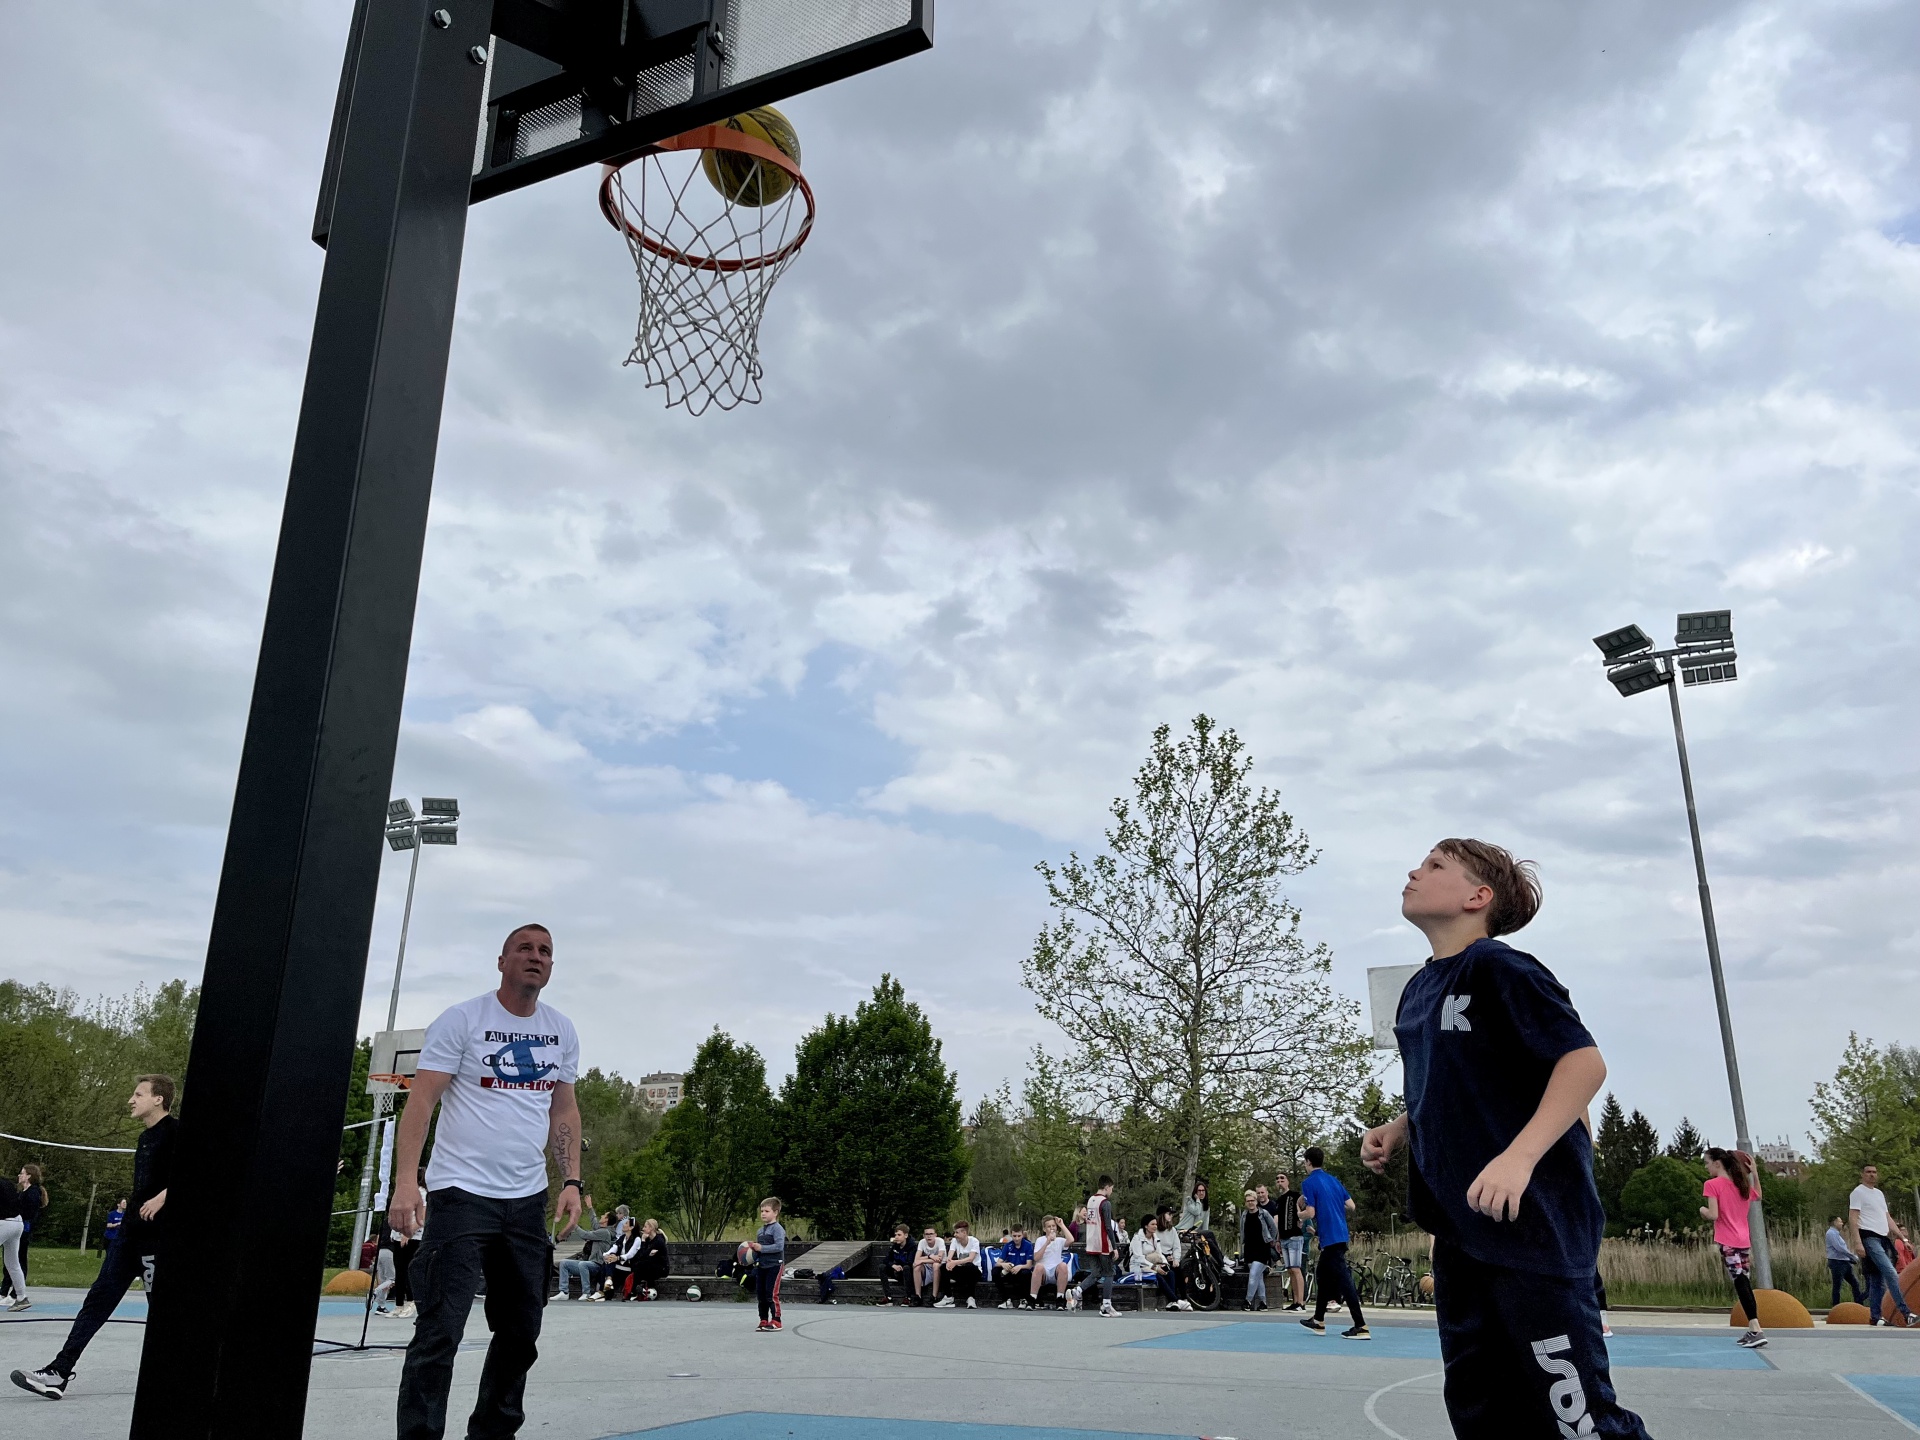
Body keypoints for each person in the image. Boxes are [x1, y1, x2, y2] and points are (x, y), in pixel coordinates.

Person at [1363, 839, 1649, 1436]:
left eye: (1435, 865)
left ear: (1478, 896)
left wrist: (1519, 1157)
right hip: (1461, 1238)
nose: (1415, 871)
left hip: (1534, 1231)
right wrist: (1400, 1127)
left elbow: (1583, 1064)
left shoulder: (1500, 968)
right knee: (1481, 1413)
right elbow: (1450, 1085)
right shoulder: (1417, 992)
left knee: (1578, 1420)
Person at [391, 925, 584, 1440]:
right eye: (525, 948)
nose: (536, 956)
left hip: (526, 1200)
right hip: (460, 1195)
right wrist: (406, 1182)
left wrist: (572, 1180)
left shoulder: (561, 1029)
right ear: (501, 961)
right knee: (440, 1331)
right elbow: (422, 1101)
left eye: (545, 951)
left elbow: (563, 1109)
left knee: (521, 1331)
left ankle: (493, 1433)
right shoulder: (463, 1020)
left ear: (551, 966)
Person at [12, 1075, 177, 1399]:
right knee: (97, 1301)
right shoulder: (146, 1137)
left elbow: (204, 1171)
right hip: (129, 1237)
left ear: (158, 1099)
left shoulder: (175, 1132)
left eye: (138, 1094)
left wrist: (162, 1197)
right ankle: (59, 1372)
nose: (131, 1100)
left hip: (156, 1240)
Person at [1297, 1149, 1367, 1337]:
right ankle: (1318, 1320)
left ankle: (1360, 1325)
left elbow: (1310, 1212)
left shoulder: (1309, 1183)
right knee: (1322, 1275)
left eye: (1305, 1161)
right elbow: (1351, 1205)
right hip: (1341, 1234)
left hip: (1330, 1237)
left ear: (1308, 1162)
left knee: (1345, 1281)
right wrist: (1332, 1205)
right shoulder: (1334, 1181)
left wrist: (1298, 1216)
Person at [1701, 1148, 1767, 1348]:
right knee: (1743, 1281)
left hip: (1727, 1240)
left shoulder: (1712, 1185)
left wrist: (1702, 1210)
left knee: (1740, 1282)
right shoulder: (1741, 1185)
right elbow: (1758, 1195)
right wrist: (1754, 1173)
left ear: (1717, 1163)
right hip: (1743, 1240)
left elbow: (1713, 1214)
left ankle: (1756, 1327)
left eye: (1707, 1163)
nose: (1706, 1167)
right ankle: (1753, 1328)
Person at [1850, 1163, 1919, 1327]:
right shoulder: (1858, 1192)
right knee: (1890, 1272)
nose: (1872, 1175)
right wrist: (1857, 1242)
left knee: (1877, 1278)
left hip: (1883, 1237)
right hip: (1869, 1237)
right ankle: (1906, 1313)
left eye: (1874, 1172)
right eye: (1868, 1172)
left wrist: (1903, 1239)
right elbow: (1853, 1217)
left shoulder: (1879, 1194)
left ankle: (1875, 1317)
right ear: (1862, 1174)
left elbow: (1887, 1218)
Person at [1071, 1178, 1120, 1317]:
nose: (1111, 1191)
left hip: (1091, 1243)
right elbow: (1108, 1226)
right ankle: (1106, 1305)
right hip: (1102, 1243)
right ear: (1107, 1187)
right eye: (1111, 1188)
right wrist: (1114, 1247)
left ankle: (1078, 1290)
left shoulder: (1091, 1200)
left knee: (1096, 1273)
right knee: (1109, 1273)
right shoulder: (1105, 1203)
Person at [746, 1196, 786, 1331]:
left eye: (767, 1211)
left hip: (774, 1265)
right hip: (762, 1265)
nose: (763, 1213)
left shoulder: (777, 1229)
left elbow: (779, 1247)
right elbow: (758, 1251)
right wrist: (750, 1253)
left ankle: (776, 1320)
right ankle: (763, 1319)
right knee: (761, 1293)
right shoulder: (760, 1231)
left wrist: (761, 1248)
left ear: (775, 1212)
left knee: (771, 1293)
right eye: (762, 1211)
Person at [1271, 1171, 1306, 1309]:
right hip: (1284, 1238)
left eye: (1282, 1179)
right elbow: (1279, 1221)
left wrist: (1302, 1220)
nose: (1280, 1182)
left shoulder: (1295, 1196)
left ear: (1288, 1181)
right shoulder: (1279, 1200)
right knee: (1290, 1270)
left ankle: (1301, 1302)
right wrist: (1278, 1239)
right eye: (1277, 1180)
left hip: (1294, 1236)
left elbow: (1306, 1207)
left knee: (1296, 1268)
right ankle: (1295, 1301)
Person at [1239, 1190, 1277, 1311]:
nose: (1250, 1203)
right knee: (1258, 1277)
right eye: (1248, 1201)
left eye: (1252, 1200)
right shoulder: (1244, 1215)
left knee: (1253, 1274)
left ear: (1256, 1201)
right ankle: (1263, 1302)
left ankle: (1248, 1301)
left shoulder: (1263, 1213)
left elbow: (1273, 1227)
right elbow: (1242, 1230)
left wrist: (1270, 1240)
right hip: (1249, 1249)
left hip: (1262, 1248)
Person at [1131, 1214, 1179, 1306]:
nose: (1155, 1226)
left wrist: (1165, 1264)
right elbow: (1139, 1258)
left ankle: (1171, 1303)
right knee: (1157, 1276)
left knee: (1170, 1273)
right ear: (1146, 1226)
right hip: (1139, 1267)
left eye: (1156, 1224)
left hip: (1154, 1265)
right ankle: (1175, 1300)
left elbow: (1160, 1254)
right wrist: (1155, 1268)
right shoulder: (1137, 1238)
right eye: (1152, 1224)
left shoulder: (1155, 1238)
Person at [1031, 1216, 1072, 1307]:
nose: (1052, 1228)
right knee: (1038, 1266)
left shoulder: (1060, 1240)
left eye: (1053, 1226)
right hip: (1044, 1272)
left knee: (1063, 1265)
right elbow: (1036, 1258)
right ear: (1044, 1229)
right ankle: (1032, 1298)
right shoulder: (1040, 1240)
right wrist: (1047, 1243)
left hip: (1055, 1272)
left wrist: (1062, 1225)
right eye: (1049, 1227)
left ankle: (1060, 1298)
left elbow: (1071, 1240)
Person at [940, 1220, 982, 1308]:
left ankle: (971, 1298)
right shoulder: (955, 1241)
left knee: (969, 1266)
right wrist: (949, 1262)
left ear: (964, 1233)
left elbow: (970, 1258)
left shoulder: (974, 1241)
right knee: (943, 1267)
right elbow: (950, 1255)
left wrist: (955, 1262)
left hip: (974, 1271)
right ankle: (948, 1297)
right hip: (962, 1271)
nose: (954, 1235)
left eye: (957, 1232)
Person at [1826, 1215, 1865, 1308]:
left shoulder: (1836, 1234)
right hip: (1837, 1262)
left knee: (1855, 1283)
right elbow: (1839, 1248)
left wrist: (1850, 1258)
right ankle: (1836, 1307)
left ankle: (1859, 1305)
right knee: (1837, 1286)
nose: (1842, 1223)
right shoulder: (1831, 1233)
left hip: (1844, 1262)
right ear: (1835, 1222)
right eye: (1840, 1221)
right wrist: (1852, 1256)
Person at [994, 1223, 1035, 1308]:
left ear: (1022, 1234)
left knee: (1026, 1273)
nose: (1016, 1238)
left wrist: (1020, 1266)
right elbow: (997, 1263)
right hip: (1010, 1271)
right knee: (995, 1271)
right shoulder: (1008, 1245)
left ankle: (1024, 1299)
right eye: (1014, 1236)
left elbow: (1029, 1265)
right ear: (1011, 1235)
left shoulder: (1028, 1245)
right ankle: (1006, 1300)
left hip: (1022, 1271)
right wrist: (1004, 1264)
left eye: (1019, 1236)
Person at [913, 1225, 946, 1306]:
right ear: (924, 1236)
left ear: (935, 1235)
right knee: (917, 1267)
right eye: (927, 1234)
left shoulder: (940, 1241)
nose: (929, 1236)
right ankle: (918, 1296)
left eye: (931, 1234)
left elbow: (939, 1259)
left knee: (935, 1265)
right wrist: (930, 1256)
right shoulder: (922, 1242)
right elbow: (916, 1260)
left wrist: (922, 1260)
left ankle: (934, 1296)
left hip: (940, 1267)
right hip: (927, 1267)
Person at [882, 1225, 915, 1305]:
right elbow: (886, 1259)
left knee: (907, 1268)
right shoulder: (895, 1246)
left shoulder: (912, 1246)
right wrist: (893, 1265)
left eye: (899, 1235)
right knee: (882, 1267)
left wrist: (901, 1266)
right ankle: (888, 1297)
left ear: (906, 1235)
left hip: (908, 1272)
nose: (896, 1237)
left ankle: (908, 1297)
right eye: (895, 1235)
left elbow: (910, 1262)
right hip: (896, 1269)